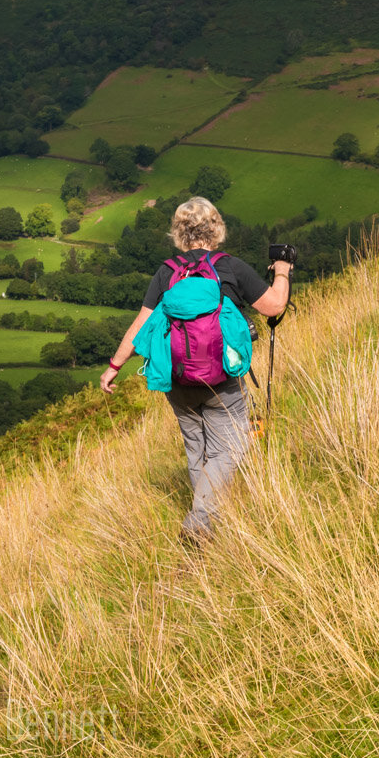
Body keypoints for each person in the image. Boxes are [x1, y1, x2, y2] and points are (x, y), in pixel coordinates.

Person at [99, 197, 292, 543]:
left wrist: (114, 366)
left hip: (177, 381)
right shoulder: (229, 267)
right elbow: (275, 305)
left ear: (178, 233)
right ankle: (200, 523)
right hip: (223, 381)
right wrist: (281, 270)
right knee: (230, 449)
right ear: (216, 228)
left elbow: (141, 326)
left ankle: (205, 524)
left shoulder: (167, 272)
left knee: (197, 451)